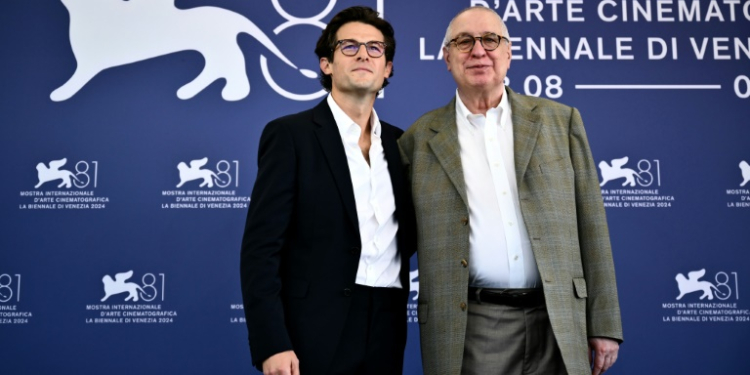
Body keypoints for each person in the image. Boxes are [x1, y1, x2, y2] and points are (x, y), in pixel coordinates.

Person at [398, 6, 623, 375]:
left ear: (509, 53)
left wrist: (604, 323)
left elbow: (592, 224)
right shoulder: (418, 140)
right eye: (463, 41)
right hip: (472, 326)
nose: (478, 50)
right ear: (447, 57)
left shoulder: (561, 121)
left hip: (560, 319)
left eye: (491, 40)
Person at [240, 6, 415, 375]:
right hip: (311, 330)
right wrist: (273, 342)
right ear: (326, 64)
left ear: (388, 69)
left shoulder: (404, 145)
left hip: (387, 324)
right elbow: (261, 250)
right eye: (349, 47)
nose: (364, 54)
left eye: (375, 48)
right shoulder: (290, 136)